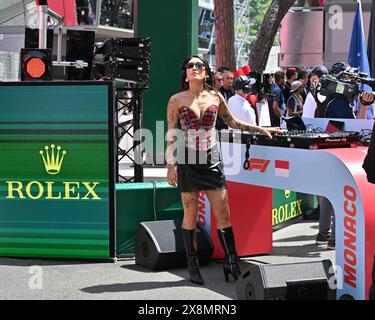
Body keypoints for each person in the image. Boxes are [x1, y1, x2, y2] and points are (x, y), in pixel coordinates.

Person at [166, 55, 280, 285]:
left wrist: (260, 129)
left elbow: (234, 122)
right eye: (190, 66)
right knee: (190, 213)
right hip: (188, 161)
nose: (195, 68)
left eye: (199, 65)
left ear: (206, 72)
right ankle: (192, 265)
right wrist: (171, 166)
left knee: (224, 214)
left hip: (212, 160)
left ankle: (231, 263)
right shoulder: (176, 100)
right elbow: (172, 133)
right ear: (185, 72)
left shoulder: (216, 97)